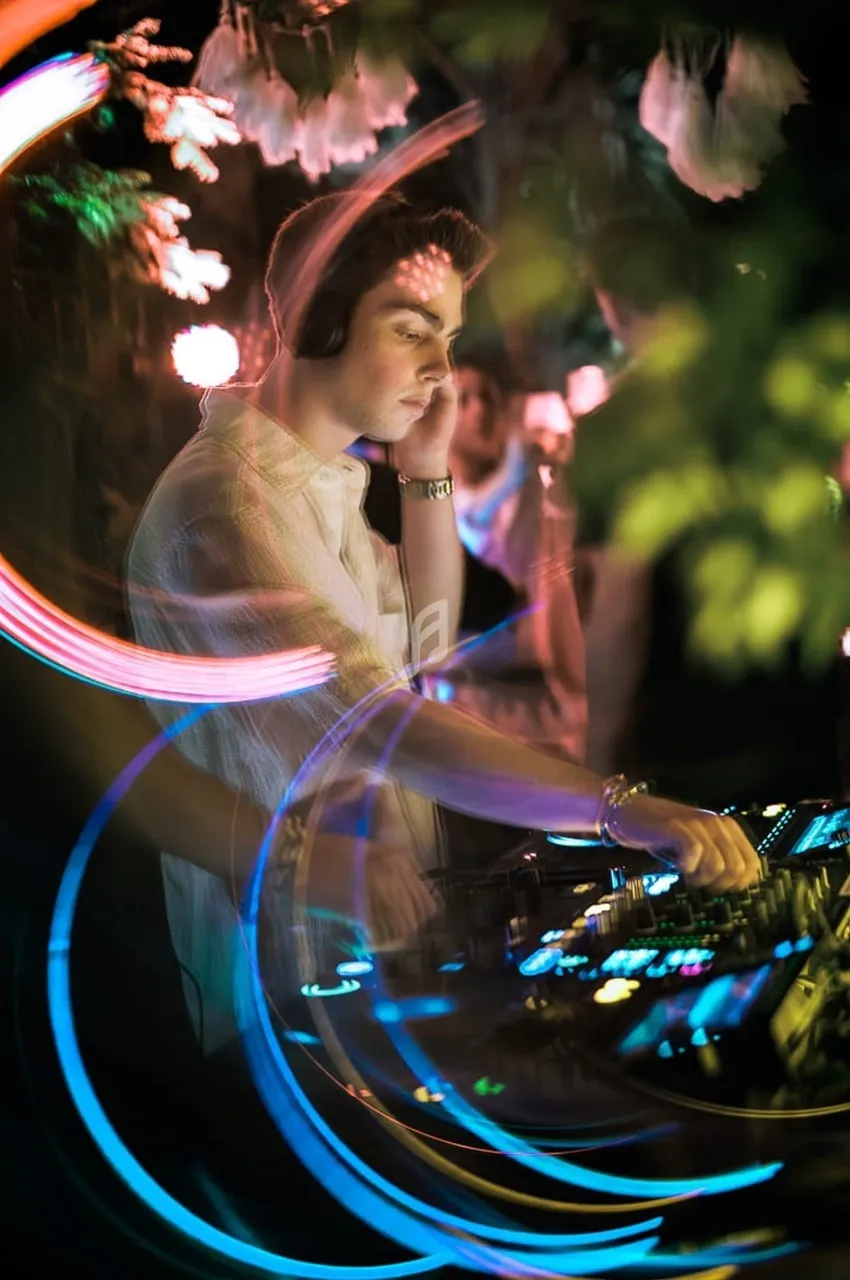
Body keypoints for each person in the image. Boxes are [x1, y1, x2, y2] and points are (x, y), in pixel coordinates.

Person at [125, 190, 760, 1054]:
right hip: (284, 1011)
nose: (441, 370)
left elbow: (423, 653)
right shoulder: (226, 509)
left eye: (449, 340)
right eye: (411, 330)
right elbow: (381, 724)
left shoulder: (314, 484)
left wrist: (425, 474)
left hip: (366, 972)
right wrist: (617, 809)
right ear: (316, 317)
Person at [574, 215, 841, 806]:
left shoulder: (617, 431)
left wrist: (599, 757)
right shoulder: (783, 393)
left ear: (610, 301)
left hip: (688, 746)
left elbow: (620, 611)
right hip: (808, 723)